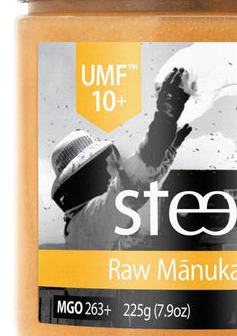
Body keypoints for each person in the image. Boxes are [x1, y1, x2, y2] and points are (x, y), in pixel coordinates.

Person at [51, 68, 192, 249]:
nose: (106, 172)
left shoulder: (84, 225)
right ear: (80, 182)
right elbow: (130, 186)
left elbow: (138, 188)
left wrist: (167, 150)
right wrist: (164, 121)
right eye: (97, 168)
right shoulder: (89, 223)